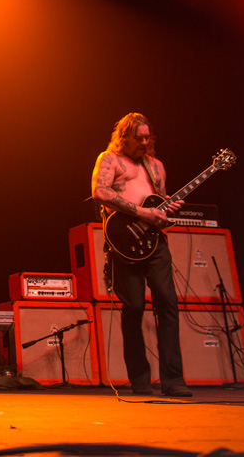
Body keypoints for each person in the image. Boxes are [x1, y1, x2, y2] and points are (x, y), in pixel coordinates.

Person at [90, 113, 192, 397]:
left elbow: (159, 201)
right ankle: (141, 380)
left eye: (148, 137)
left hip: (155, 243)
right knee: (134, 307)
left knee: (168, 305)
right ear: (125, 137)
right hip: (124, 242)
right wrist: (142, 212)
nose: (145, 142)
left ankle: (173, 380)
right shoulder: (109, 159)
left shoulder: (156, 166)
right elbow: (100, 191)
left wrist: (165, 213)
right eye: (139, 138)